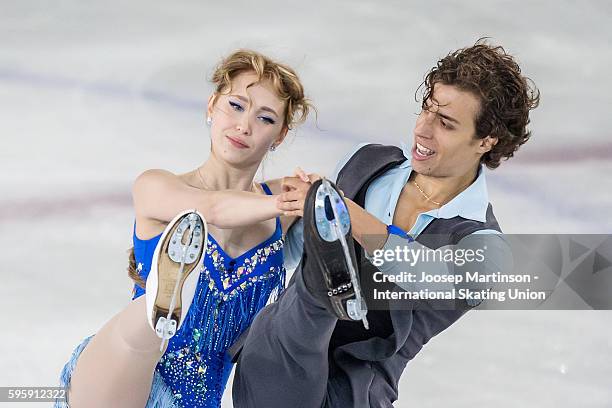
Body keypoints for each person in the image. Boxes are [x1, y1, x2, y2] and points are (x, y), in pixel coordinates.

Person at [230, 39, 540, 407]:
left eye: (445, 123)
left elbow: (426, 274)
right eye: (426, 110)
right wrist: (287, 215)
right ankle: (323, 287)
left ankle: (327, 279)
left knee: (321, 284)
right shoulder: (369, 164)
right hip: (280, 363)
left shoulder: (485, 246)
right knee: (304, 310)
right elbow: (282, 256)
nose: (423, 130)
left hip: (355, 391)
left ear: (486, 141)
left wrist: (346, 216)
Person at [55, 49, 312, 408]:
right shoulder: (156, 187)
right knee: (137, 337)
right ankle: (160, 306)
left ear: (280, 135)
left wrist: (315, 196)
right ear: (212, 105)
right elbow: (213, 208)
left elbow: (325, 195)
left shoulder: (278, 205)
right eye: (236, 106)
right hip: (120, 380)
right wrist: (286, 204)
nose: (244, 126)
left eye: (264, 118)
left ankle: (161, 306)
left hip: (195, 401)